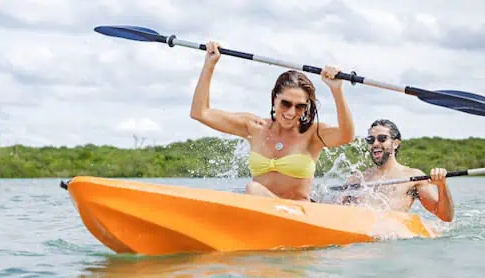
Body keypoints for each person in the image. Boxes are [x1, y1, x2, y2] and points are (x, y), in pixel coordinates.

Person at [189, 41, 355, 201]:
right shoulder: (254, 127)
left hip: (299, 215)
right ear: (275, 98)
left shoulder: (312, 134)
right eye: (286, 103)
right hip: (265, 215)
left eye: (300, 107)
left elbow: (346, 135)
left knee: (252, 189)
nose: (291, 112)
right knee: (251, 191)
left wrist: (337, 90)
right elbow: (200, 112)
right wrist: (209, 65)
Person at [342, 119, 455, 222]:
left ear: (395, 143)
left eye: (382, 138)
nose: (375, 143)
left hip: (390, 240)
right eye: (371, 140)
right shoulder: (356, 179)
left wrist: (442, 186)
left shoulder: (413, 177)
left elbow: (446, 216)